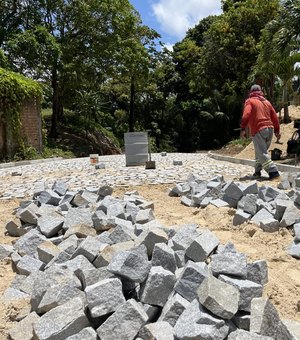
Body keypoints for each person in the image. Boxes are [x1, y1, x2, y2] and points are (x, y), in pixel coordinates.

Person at [240, 84, 281, 180]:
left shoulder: (250, 101)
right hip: (270, 129)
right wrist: (277, 131)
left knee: (262, 153)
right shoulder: (267, 102)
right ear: (260, 91)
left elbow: (246, 114)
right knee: (260, 152)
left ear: (251, 92)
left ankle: (274, 172)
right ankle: (257, 172)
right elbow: (275, 117)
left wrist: (242, 128)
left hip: (259, 129)